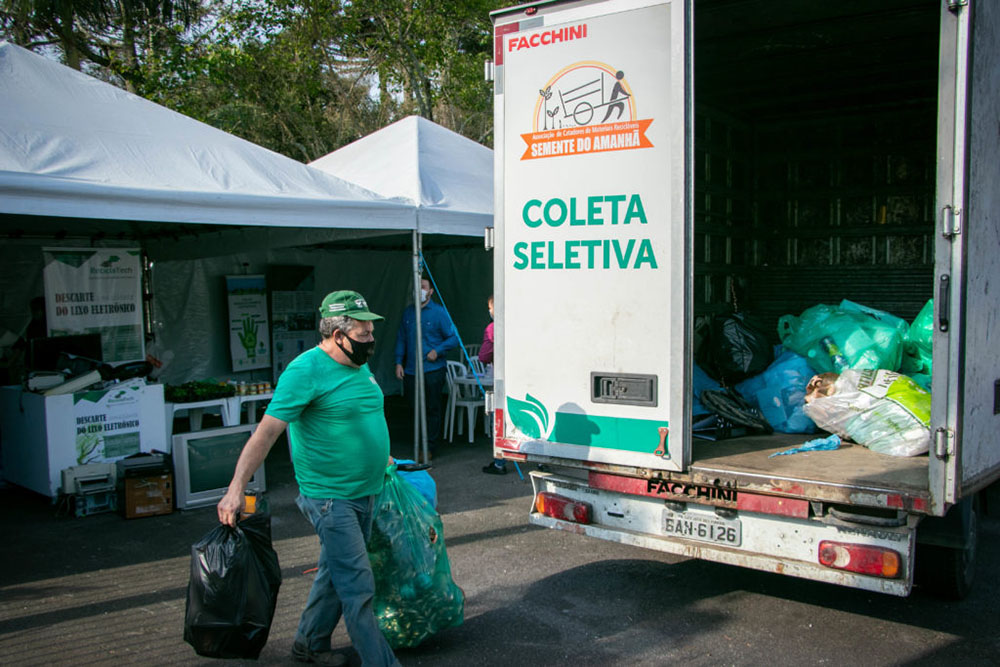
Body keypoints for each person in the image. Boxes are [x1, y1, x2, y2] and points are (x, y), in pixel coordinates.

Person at [217, 290, 400, 667]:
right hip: (331, 498)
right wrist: (235, 489)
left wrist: (381, 455)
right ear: (338, 336)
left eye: (370, 332)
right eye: (363, 334)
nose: (371, 341)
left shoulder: (357, 364)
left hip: (368, 489)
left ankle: (308, 645)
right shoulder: (304, 371)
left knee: (336, 574)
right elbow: (265, 434)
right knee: (359, 587)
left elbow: (360, 413)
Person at [394, 277, 458, 458]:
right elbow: (401, 338)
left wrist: (437, 351)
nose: (419, 290)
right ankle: (417, 444)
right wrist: (399, 361)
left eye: (422, 287)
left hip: (432, 369)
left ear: (430, 291)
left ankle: (429, 447)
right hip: (412, 369)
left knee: (432, 408)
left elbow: (453, 338)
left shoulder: (438, 312)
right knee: (414, 408)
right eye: (416, 287)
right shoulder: (408, 313)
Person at [479, 295, 507, 475]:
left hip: (501, 378)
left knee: (498, 418)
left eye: (490, 308)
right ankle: (541, 462)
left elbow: (484, 355)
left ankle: (499, 462)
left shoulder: (492, 329)